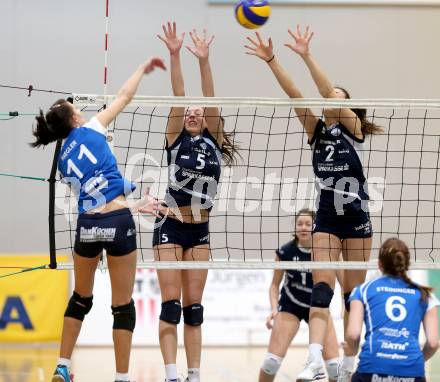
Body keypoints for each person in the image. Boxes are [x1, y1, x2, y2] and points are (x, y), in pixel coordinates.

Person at [244, 26, 382, 381]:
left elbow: (324, 91)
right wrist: (272, 60)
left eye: (336, 95)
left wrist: (307, 54)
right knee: (323, 287)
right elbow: (295, 95)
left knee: (353, 296)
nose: (328, 97)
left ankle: (352, 365)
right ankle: (314, 359)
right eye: (329, 95)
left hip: (357, 220)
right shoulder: (317, 132)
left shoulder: (354, 129)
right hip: (327, 218)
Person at [31, 57, 166, 382]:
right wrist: (141, 69)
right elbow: (123, 95)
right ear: (76, 118)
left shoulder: (63, 161)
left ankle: (62, 365)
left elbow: (95, 189)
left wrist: (133, 195)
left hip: (87, 226)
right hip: (118, 223)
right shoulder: (92, 128)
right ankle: (121, 377)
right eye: (72, 106)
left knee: (81, 298)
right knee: (122, 306)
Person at [155, 22, 238, 382]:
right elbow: (178, 96)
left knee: (194, 309)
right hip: (170, 225)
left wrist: (204, 60)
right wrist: (175, 55)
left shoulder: (214, 139)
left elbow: (211, 98)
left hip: (200, 230)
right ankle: (172, 374)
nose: (193, 113)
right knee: (171, 305)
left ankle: (194, 374)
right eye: (188, 111)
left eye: (197, 111)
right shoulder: (175, 137)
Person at [260, 209, 340, 382]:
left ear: (315, 227)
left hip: (318, 307)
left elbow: (342, 281)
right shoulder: (285, 252)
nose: (303, 228)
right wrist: (274, 310)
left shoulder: (325, 252)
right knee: (270, 363)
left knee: (335, 367)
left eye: (308, 224)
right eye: (299, 224)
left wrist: (345, 306)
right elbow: (274, 285)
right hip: (291, 306)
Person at [345, 237, 439, 382]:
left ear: (379, 264)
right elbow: (433, 343)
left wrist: (348, 360)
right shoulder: (425, 294)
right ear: (407, 264)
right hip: (412, 371)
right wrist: (415, 362)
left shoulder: (363, 290)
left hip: (372, 367)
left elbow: (353, 335)